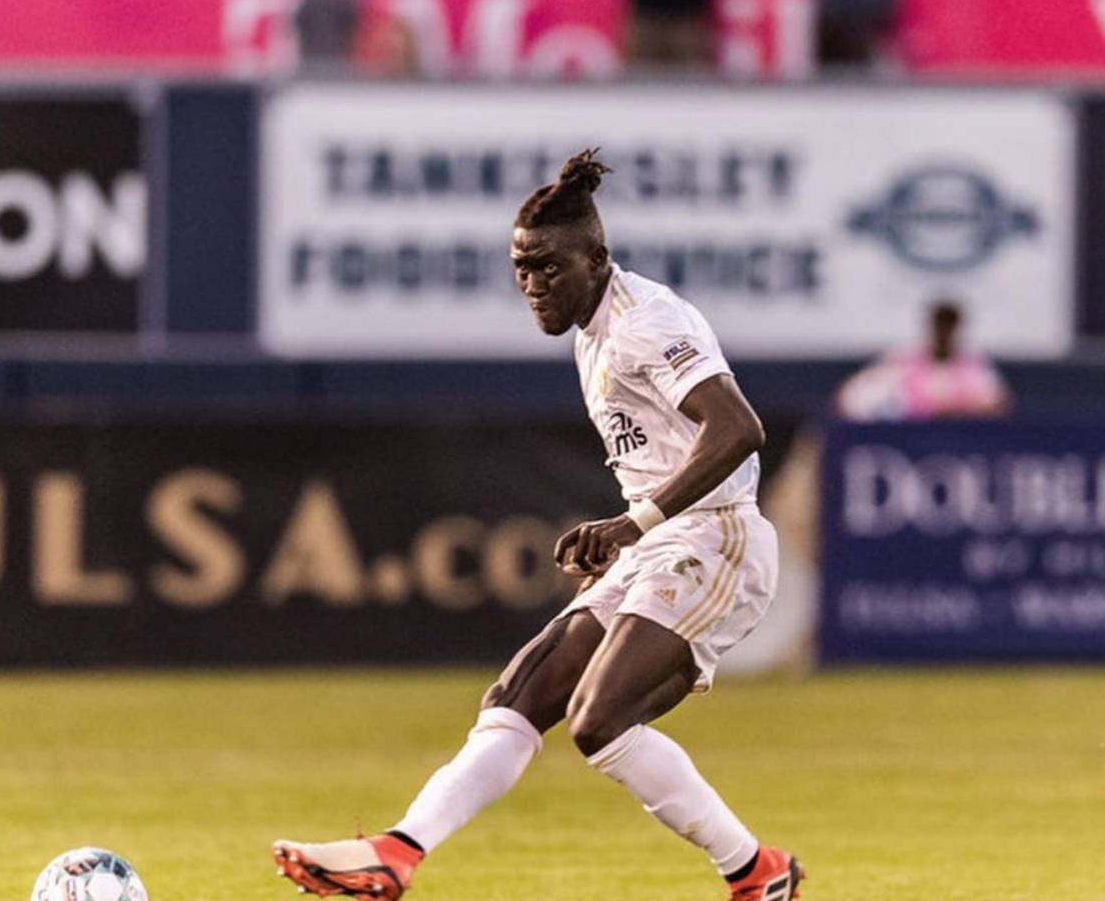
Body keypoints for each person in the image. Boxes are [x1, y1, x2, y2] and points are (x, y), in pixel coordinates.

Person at [272, 150, 804, 901]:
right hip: (662, 542)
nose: (532, 285)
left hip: (717, 540)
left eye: (549, 268)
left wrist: (632, 523)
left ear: (597, 258)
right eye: (521, 269)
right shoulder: (593, 329)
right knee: (515, 698)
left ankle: (757, 872)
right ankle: (396, 853)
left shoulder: (646, 322)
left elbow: (739, 428)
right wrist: (634, 532)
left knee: (598, 721)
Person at [835, 301, 1012, 421]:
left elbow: (998, 403)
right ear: (931, 325)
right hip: (911, 439)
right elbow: (854, 397)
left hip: (961, 439)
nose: (944, 332)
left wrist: (954, 408)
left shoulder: (973, 362)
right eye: (939, 325)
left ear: (957, 328)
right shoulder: (904, 359)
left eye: (949, 326)